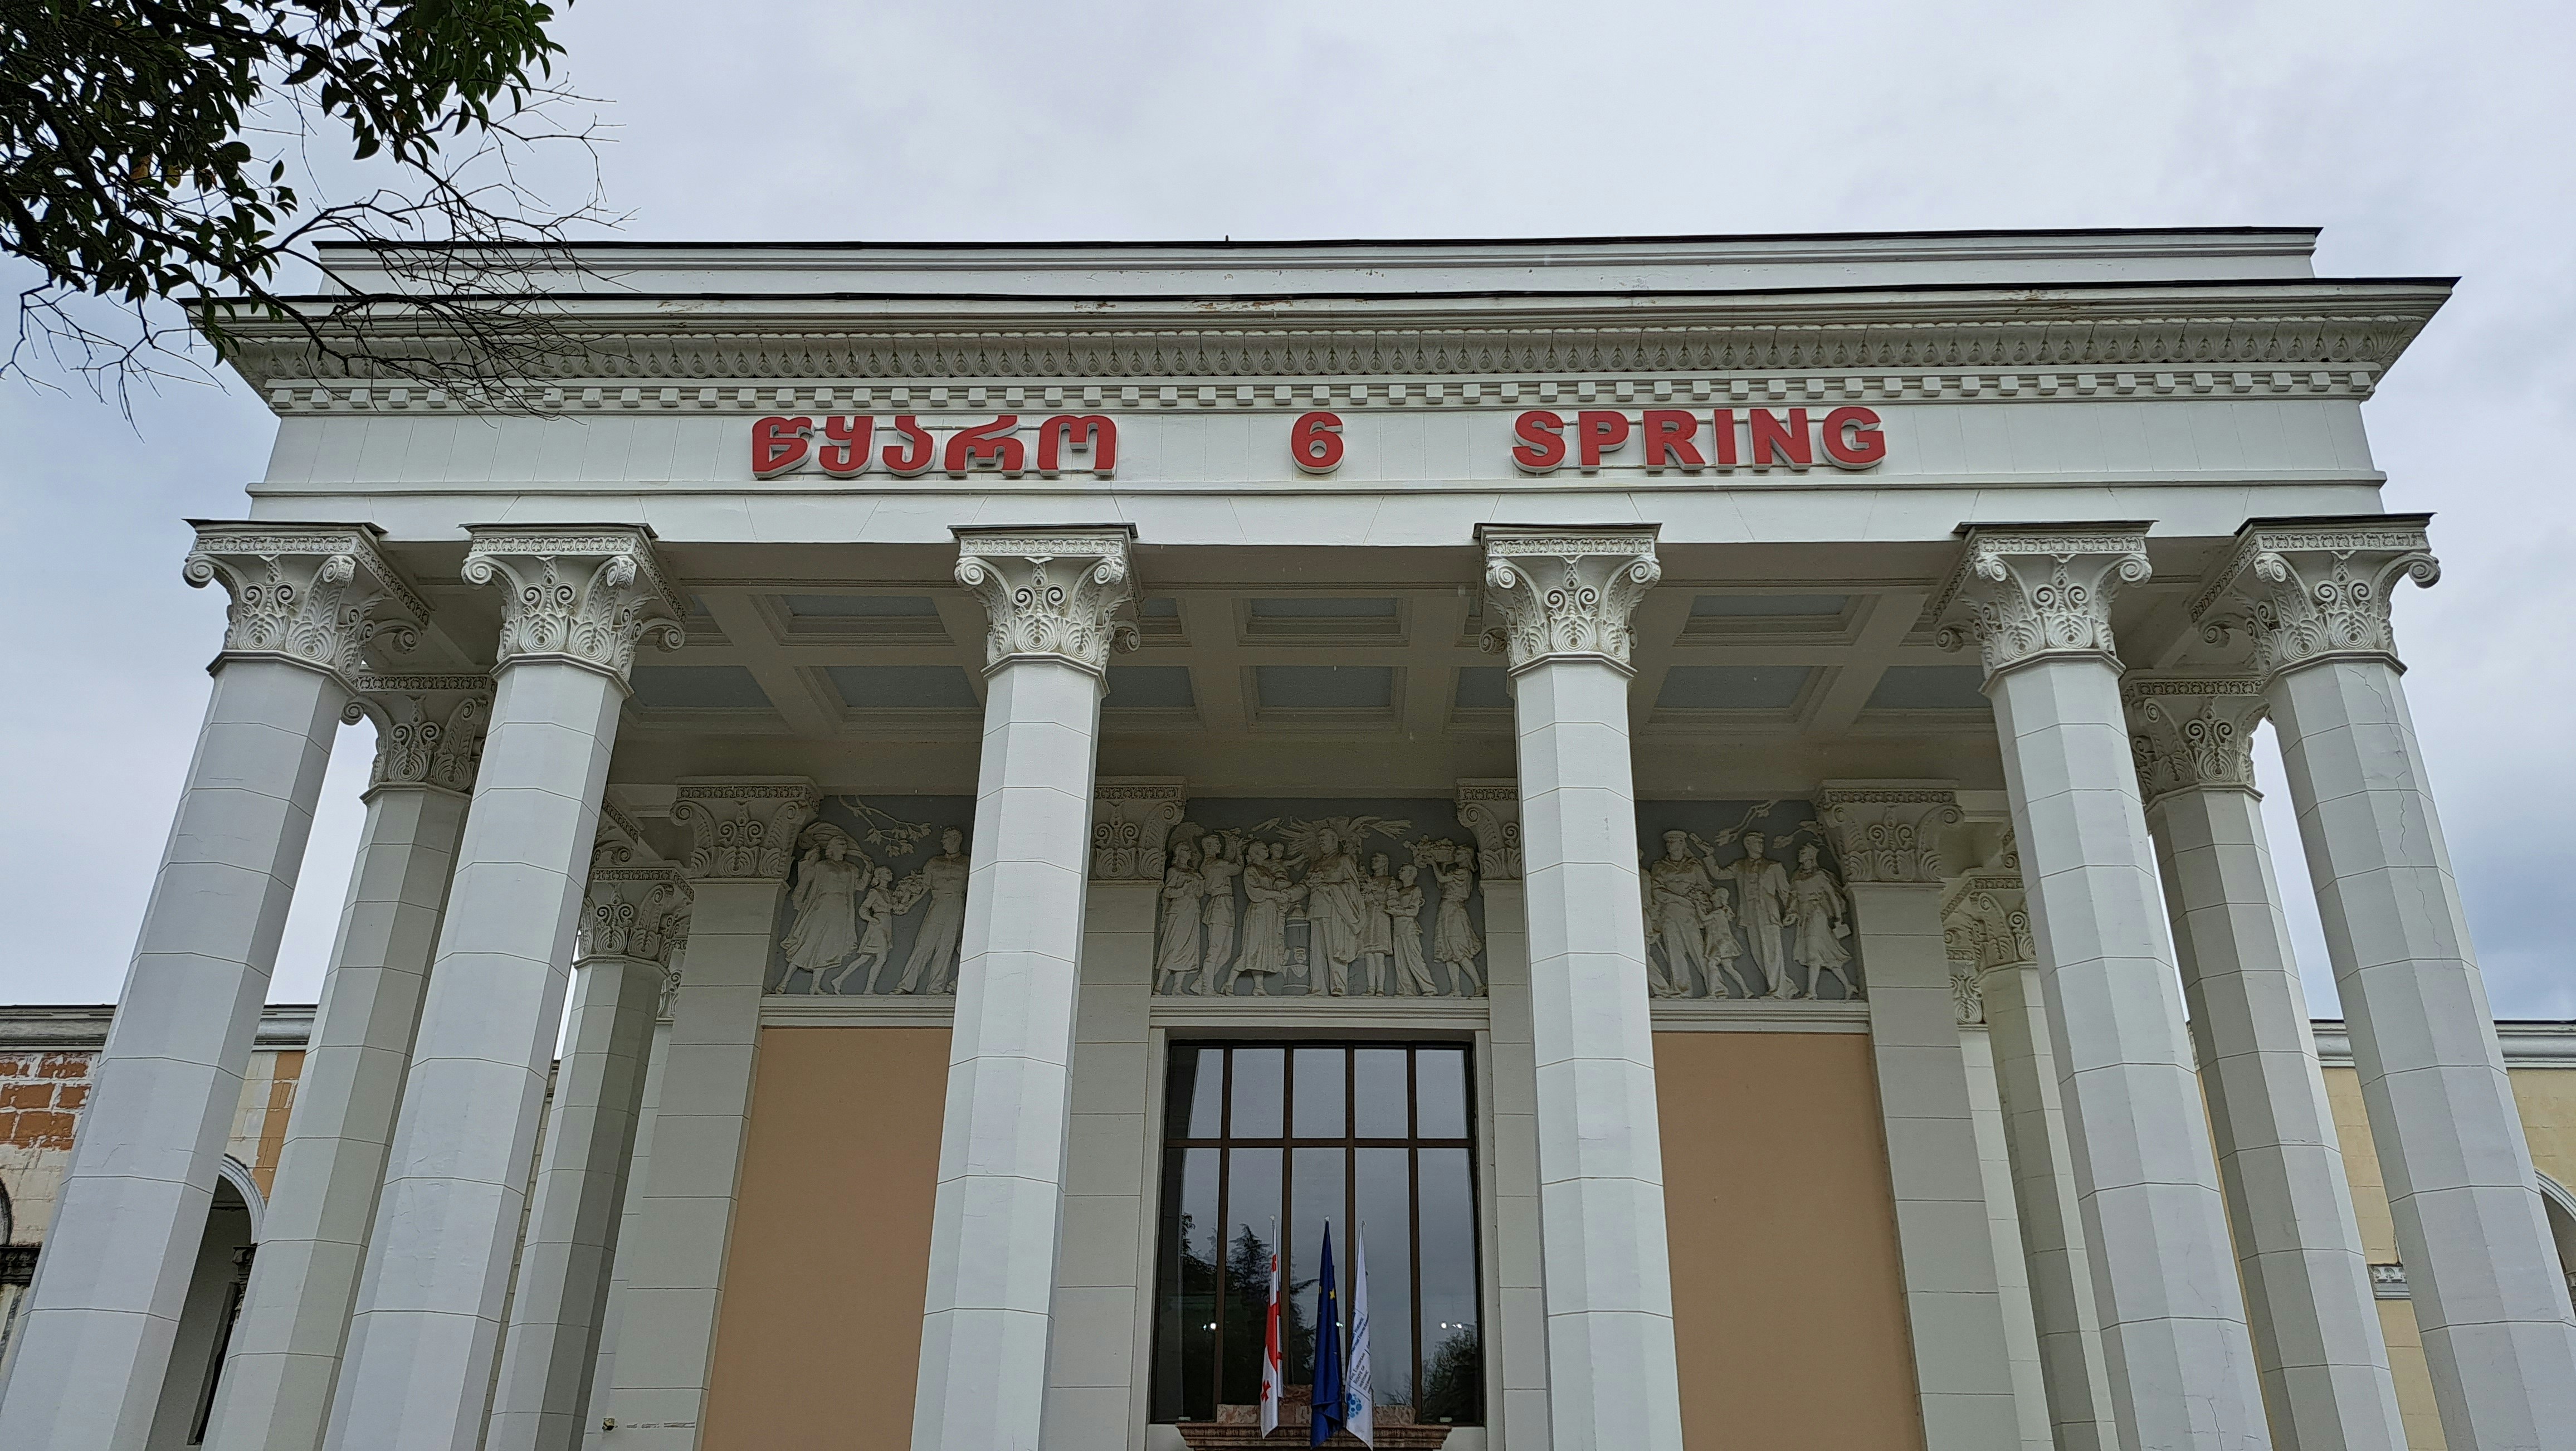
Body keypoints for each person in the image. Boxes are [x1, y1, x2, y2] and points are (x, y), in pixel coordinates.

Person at [777, 829, 863, 992]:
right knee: (809, 941)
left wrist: (870, 871)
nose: (844, 845)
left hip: (841, 909)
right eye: (840, 843)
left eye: (844, 843)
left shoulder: (851, 868)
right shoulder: (822, 865)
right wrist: (808, 860)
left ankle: (815, 986)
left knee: (829, 946)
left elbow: (859, 887)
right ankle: (784, 982)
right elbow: (804, 880)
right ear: (832, 847)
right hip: (822, 905)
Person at [892, 826, 970, 994]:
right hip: (937, 903)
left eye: (946, 838)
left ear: (956, 840)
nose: (942, 842)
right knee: (923, 944)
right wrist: (908, 905)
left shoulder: (968, 862)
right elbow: (924, 887)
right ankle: (906, 985)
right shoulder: (934, 862)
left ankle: (935, 988)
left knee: (946, 947)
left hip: (956, 904)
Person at [1645, 831, 1714, 997]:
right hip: (1669, 913)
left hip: (1690, 914)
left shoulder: (1693, 866)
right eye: (1668, 843)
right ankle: (1682, 990)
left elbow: (1707, 888)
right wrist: (1681, 899)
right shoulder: (1659, 866)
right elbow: (1657, 891)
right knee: (1675, 953)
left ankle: (1716, 989)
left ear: (1683, 844)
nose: (1670, 846)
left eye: (1674, 842)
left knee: (1699, 950)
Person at [1727, 830, 1795, 998]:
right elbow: (1717, 875)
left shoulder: (1774, 867)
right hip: (1749, 915)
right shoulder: (1740, 866)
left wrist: (1791, 910)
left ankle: (1778, 991)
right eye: (1757, 843)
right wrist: (1707, 855)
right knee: (1757, 952)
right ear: (1748, 845)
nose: (1761, 846)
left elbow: (1785, 892)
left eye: (1761, 843)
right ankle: (1785, 986)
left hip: (1768, 913)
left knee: (1772, 951)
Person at [1788, 841, 1856, 998]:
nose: (1800, 854)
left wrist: (1839, 919)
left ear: (1811, 856)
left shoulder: (1819, 876)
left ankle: (1811, 992)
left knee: (1813, 953)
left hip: (1816, 914)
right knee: (1825, 953)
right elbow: (1794, 898)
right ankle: (1849, 986)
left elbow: (1832, 897)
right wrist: (1791, 913)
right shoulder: (1797, 876)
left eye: (1803, 852)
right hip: (1803, 918)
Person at [1305, 828, 1366, 996]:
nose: (1320, 842)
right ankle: (1319, 987)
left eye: (1323, 838)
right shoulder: (1315, 864)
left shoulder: (1343, 860)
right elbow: (1305, 886)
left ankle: (1338, 986)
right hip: (1316, 909)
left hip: (1335, 910)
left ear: (1334, 840)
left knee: (1335, 949)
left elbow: (1353, 887)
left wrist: (1329, 887)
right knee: (1317, 951)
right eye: (1319, 839)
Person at [1231, 841, 1293, 996]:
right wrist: (1276, 894)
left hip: (1270, 912)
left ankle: (1258, 987)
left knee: (1264, 950)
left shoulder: (1266, 870)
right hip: (1259, 912)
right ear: (1257, 853)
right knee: (1253, 948)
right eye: (1265, 849)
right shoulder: (1251, 870)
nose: (1268, 850)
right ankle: (1229, 982)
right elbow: (1256, 892)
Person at [826, 866, 897, 993]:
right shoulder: (875, 892)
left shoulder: (889, 893)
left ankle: (838, 979)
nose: (891, 873)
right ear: (879, 876)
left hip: (887, 925)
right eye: (887, 872)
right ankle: (869, 989)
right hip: (878, 926)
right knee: (882, 958)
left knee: (864, 959)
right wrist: (872, 919)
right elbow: (863, 909)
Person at [1192, 832, 1245, 996]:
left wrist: (1232, 845)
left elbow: (1227, 862)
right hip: (1220, 906)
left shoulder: (1212, 864)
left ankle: (1199, 983)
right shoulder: (1215, 865)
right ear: (1209, 847)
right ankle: (1207, 989)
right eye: (1217, 845)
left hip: (1226, 905)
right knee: (1215, 950)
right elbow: (1236, 867)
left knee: (1226, 953)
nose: (1220, 847)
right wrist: (1239, 851)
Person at [1430, 841, 1483, 996]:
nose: (1455, 855)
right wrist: (1444, 866)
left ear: (1467, 857)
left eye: (1459, 854)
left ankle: (1479, 986)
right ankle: (1456, 989)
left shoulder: (1464, 872)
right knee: (1449, 951)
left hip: (1454, 910)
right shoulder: (1457, 872)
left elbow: (1441, 879)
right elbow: (1442, 885)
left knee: (1458, 949)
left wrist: (1434, 864)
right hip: (1447, 909)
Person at [1155, 838, 1206, 994]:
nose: (1189, 852)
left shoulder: (1195, 873)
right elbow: (1168, 892)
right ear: (1179, 853)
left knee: (1189, 949)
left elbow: (1199, 893)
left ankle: (1177, 987)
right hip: (1178, 912)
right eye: (1186, 850)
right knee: (1174, 946)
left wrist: (1199, 886)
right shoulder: (1174, 871)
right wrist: (1183, 889)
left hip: (1192, 912)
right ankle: (1159, 986)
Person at [1386, 863, 1436, 996]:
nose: (1399, 871)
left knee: (1414, 958)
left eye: (1403, 870)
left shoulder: (1415, 889)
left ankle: (1429, 988)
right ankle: (1406, 990)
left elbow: (1413, 911)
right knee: (1400, 961)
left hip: (1409, 926)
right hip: (1398, 927)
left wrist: (1398, 910)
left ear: (1411, 873)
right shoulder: (1399, 891)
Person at [1357, 853, 1396, 995]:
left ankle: (1380, 988)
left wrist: (1375, 897)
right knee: (1368, 954)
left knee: (1379, 954)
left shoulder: (1389, 880)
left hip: (1381, 917)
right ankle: (1370, 987)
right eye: (1372, 859)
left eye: (1377, 860)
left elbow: (1392, 898)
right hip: (1368, 917)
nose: (1373, 861)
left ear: (1384, 863)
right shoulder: (1368, 880)